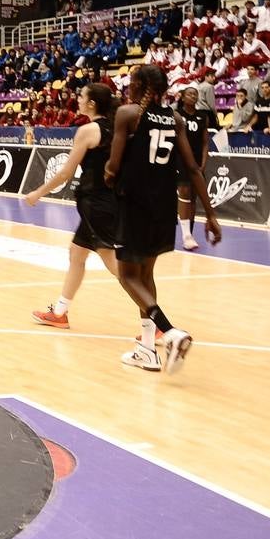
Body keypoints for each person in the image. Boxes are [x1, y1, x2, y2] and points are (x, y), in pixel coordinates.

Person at [104, 64, 221, 375]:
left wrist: (107, 175)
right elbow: (194, 168)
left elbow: (113, 167)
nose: (128, 87)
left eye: (131, 82)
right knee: (146, 275)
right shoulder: (176, 118)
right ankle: (146, 349)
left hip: (135, 205)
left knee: (127, 276)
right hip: (163, 207)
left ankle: (169, 332)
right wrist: (209, 214)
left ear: (140, 85)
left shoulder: (128, 114)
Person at [26, 84, 122, 329]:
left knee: (116, 266)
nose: (77, 99)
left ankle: (158, 321)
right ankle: (60, 312)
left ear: (91, 103)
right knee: (76, 254)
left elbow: (66, 173)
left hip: (96, 203)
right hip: (107, 200)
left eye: (81, 96)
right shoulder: (116, 128)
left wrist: (38, 192)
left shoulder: (88, 131)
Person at [175, 85, 215, 251]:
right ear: (183, 97)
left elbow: (206, 142)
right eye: (190, 94)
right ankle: (186, 235)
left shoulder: (203, 116)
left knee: (192, 198)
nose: (193, 97)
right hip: (180, 160)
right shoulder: (177, 115)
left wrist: (204, 162)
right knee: (184, 191)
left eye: (195, 94)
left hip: (197, 161)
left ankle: (188, 232)